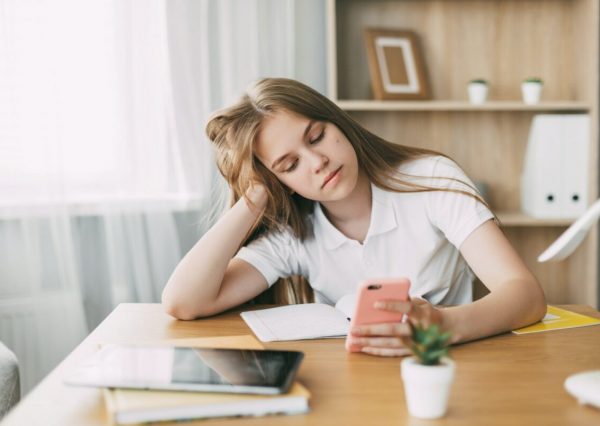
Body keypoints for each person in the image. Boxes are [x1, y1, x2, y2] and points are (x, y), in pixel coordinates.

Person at [162, 77, 546, 356]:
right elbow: (183, 302)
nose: (318, 162)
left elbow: (526, 296)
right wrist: (256, 195)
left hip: (441, 367)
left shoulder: (431, 179)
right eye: (290, 164)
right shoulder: (295, 233)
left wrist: (444, 326)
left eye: (316, 137)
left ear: (338, 121)